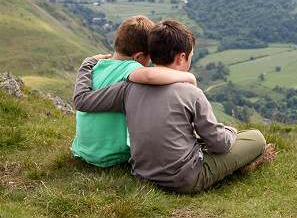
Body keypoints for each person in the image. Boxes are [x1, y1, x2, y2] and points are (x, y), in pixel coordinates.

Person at [73, 19, 275, 193]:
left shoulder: (127, 88)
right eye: (190, 56)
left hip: (141, 174)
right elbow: (219, 144)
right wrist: (230, 131)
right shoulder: (191, 92)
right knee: (255, 137)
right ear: (181, 57)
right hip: (184, 179)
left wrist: (88, 64)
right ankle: (246, 161)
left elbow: (85, 100)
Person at [72, 15, 197, 168]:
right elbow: (150, 75)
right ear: (138, 56)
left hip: (84, 151)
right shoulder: (130, 68)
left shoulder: (97, 67)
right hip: (112, 157)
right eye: (149, 57)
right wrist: (188, 77)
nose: (150, 62)